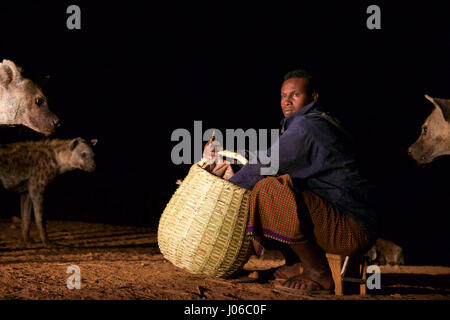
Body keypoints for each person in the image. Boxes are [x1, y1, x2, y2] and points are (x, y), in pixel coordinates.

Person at [203, 69, 378, 295]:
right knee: (271, 185)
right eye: (283, 96)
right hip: (350, 222)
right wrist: (230, 157)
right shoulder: (311, 123)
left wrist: (224, 191)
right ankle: (296, 263)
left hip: (351, 231)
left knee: (268, 190)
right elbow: (269, 157)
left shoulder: (309, 127)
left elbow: (264, 166)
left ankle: (317, 272)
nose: (287, 101)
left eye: (295, 95)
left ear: (313, 97)